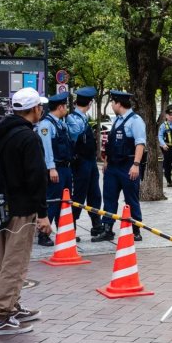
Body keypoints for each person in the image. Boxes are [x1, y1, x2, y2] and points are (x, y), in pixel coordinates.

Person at [0, 87, 51, 335]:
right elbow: (36, 178)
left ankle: (12, 306)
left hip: (2, 206)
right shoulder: (28, 138)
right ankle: (1, 316)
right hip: (22, 209)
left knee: (5, 259)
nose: (41, 110)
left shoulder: (1, 133)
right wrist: (43, 214)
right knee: (16, 262)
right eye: (40, 106)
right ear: (34, 108)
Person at [92, 90, 146, 243]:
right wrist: (106, 161)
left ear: (119, 104)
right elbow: (111, 143)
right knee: (109, 198)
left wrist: (136, 165)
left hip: (128, 165)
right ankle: (107, 229)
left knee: (131, 199)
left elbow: (140, 144)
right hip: (113, 167)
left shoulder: (135, 120)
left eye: (112, 102)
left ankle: (135, 230)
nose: (111, 105)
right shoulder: (117, 120)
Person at [66, 86, 103, 238]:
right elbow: (75, 136)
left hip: (90, 161)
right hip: (80, 162)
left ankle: (97, 224)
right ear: (89, 103)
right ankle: (71, 227)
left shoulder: (84, 117)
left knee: (94, 193)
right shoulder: (73, 119)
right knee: (79, 194)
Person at [37, 92, 74, 246]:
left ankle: (64, 231)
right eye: (65, 106)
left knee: (65, 202)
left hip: (65, 168)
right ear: (60, 107)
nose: (66, 109)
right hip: (56, 169)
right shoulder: (46, 125)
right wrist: (51, 168)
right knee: (52, 201)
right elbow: (47, 149)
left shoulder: (60, 123)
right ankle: (43, 234)